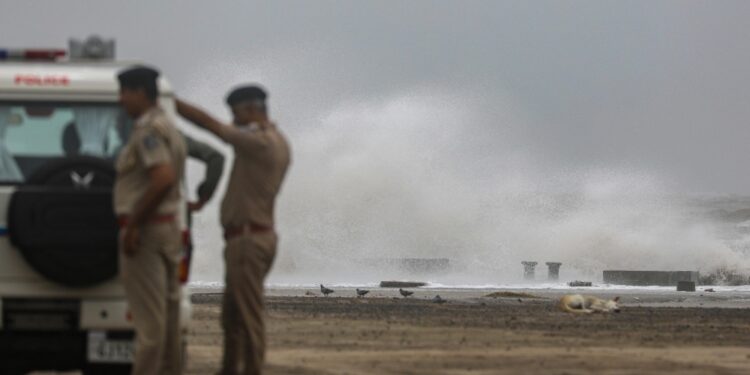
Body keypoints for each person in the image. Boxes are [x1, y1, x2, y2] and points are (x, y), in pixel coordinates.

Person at [175, 85, 291, 375]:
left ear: (252, 109)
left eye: (236, 113)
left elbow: (211, 126)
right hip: (252, 237)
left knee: (248, 317)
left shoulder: (260, 143)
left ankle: (250, 369)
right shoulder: (278, 141)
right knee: (233, 316)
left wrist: (170, 102)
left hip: (248, 240)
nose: (233, 119)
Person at [114, 66, 187, 375]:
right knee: (169, 324)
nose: (121, 100)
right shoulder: (168, 126)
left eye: (125, 93)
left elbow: (163, 178)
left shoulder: (148, 131)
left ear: (141, 93)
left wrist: (134, 225)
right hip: (168, 226)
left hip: (147, 231)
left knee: (150, 327)